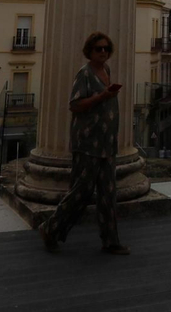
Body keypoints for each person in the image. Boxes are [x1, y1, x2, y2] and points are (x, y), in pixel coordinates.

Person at [39, 31, 131, 255]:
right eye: (98, 48)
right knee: (82, 191)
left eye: (106, 49)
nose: (102, 52)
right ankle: (50, 228)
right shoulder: (85, 73)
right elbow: (75, 104)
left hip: (106, 144)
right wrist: (101, 96)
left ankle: (111, 241)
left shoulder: (106, 70)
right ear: (89, 50)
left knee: (108, 193)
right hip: (88, 143)